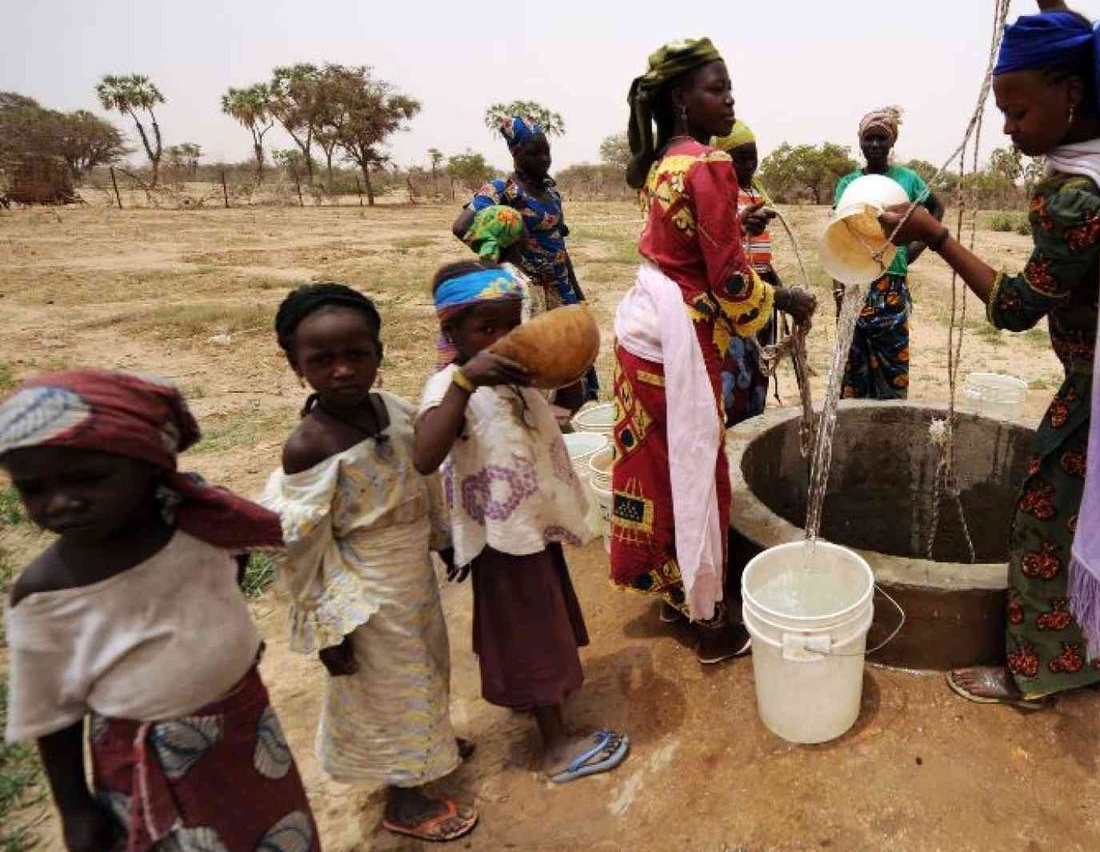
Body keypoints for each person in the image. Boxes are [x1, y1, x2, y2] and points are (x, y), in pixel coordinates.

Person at [877, 0, 1100, 707]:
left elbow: (1018, 307)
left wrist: (935, 237)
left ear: (1073, 93)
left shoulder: (1078, 195)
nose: (1009, 127)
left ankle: (1036, 672)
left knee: (1046, 519)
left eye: (1019, 113)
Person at [1, 369, 318, 852]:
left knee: (277, 832)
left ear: (150, 465)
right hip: (150, 762)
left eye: (88, 479)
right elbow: (53, 712)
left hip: (247, 727)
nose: (60, 503)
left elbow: (231, 572)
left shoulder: (203, 527)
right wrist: (75, 809)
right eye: (34, 489)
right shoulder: (48, 591)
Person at [613, 38, 817, 662]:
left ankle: (668, 584)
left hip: (641, 330)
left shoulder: (662, 162)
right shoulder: (708, 166)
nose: (729, 100)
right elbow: (728, 280)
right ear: (682, 98)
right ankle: (708, 617)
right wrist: (784, 304)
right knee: (699, 467)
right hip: (681, 336)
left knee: (655, 463)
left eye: (730, 88)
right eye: (716, 88)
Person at [262, 284, 477, 842]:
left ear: (378, 354)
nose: (341, 371)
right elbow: (303, 547)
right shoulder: (309, 446)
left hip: (410, 574)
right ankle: (403, 797)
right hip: (361, 589)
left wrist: (443, 538)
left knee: (426, 665)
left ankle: (431, 747)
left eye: (356, 354)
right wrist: (327, 626)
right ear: (295, 366)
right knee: (386, 689)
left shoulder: (392, 410)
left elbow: (421, 477)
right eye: (322, 360)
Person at [413, 260, 629, 782]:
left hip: (533, 528)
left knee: (532, 624)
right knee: (531, 631)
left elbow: (539, 410)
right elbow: (424, 453)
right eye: (486, 329)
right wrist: (465, 381)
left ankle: (529, 695)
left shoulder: (514, 375)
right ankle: (555, 745)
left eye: (512, 324)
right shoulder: (448, 387)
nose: (502, 339)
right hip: (502, 540)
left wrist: (564, 369)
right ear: (452, 332)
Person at [466, 116, 602, 404]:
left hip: (560, 284)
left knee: (572, 354)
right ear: (515, 154)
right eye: (534, 153)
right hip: (527, 289)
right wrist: (505, 256)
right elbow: (462, 226)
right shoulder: (501, 190)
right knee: (537, 358)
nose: (543, 159)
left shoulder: (551, 191)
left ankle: (569, 425)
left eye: (546, 152)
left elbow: (560, 247)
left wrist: (577, 295)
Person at [834, 106, 945, 400]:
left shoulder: (907, 179)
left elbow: (936, 207)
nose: (874, 145)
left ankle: (888, 425)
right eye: (868, 138)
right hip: (855, 280)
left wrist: (911, 252)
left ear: (892, 142)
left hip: (891, 283)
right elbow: (839, 233)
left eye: (880, 139)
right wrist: (838, 291)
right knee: (852, 363)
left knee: (892, 361)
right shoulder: (848, 184)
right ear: (860, 142)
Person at [712, 119, 782, 425]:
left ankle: (754, 425)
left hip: (761, 290)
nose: (750, 165)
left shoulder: (756, 190)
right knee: (734, 367)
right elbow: (716, 243)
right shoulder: (717, 193)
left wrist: (771, 274)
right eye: (741, 159)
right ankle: (732, 432)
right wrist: (739, 226)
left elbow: (759, 249)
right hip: (734, 295)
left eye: (753, 157)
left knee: (759, 367)